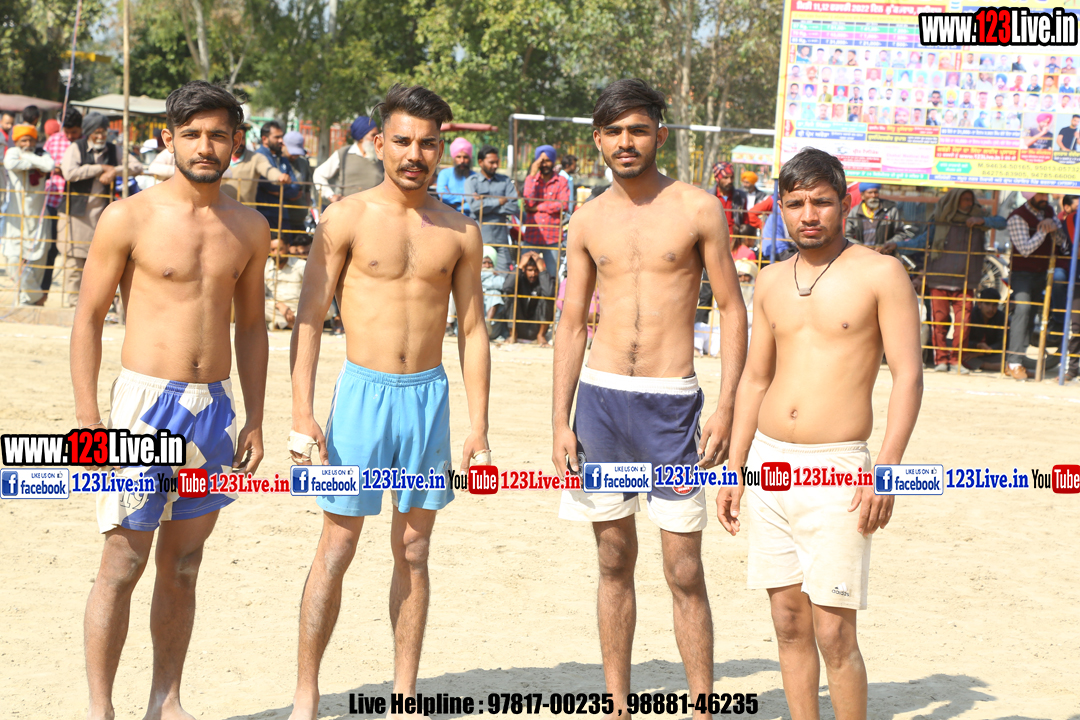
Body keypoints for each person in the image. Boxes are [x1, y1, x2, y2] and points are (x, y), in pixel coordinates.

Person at [286, 83, 491, 720]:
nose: (414, 154)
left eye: (427, 143)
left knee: (414, 550)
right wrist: (301, 411)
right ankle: (306, 692)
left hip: (427, 399)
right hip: (361, 397)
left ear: (441, 149)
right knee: (337, 547)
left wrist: (479, 426)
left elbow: (474, 330)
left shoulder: (461, 231)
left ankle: (405, 696)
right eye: (402, 140)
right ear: (379, 143)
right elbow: (309, 318)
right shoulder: (345, 217)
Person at [71, 81, 268, 720]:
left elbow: (253, 327)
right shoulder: (129, 217)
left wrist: (256, 419)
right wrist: (87, 422)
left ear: (236, 142)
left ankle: (166, 701)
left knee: (184, 563)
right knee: (123, 561)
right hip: (143, 407)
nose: (205, 146)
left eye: (218, 135)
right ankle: (101, 709)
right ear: (168, 139)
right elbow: (88, 318)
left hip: (214, 410)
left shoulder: (250, 227)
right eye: (192, 134)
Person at [552, 78, 747, 719]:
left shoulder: (698, 209)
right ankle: (617, 705)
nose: (626, 142)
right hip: (601, 403)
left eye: (638, 129)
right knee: (613, 559)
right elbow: (571, 322)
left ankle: (701, 706)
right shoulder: (587, 218)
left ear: (660, 132)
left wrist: (725, 406)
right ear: (598, 139)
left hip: (671, 404)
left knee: (683, 566)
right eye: (614, 131)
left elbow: (731, 309)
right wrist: (560, 420)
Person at [716, 146, 922, 720]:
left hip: (839, 468)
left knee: (834, 632)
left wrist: (887, 471)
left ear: (844, 204)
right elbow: (756, 378)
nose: (809, 214)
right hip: (769, 465)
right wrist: (734, 467)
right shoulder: (770, 280)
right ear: (780, 208)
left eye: (822, 202)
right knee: (787, 622)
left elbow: (908, 376)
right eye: (796, 203)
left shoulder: (881, 273)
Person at [889, 189, 1007, 372]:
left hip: (966, 280)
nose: (969, 203)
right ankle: (941, 359)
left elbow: (1001, 222)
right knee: (940, 320)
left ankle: (956, 360)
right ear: (954, 201)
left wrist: (982, 221)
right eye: (965, 199)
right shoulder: (941, 220)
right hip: (939, 278)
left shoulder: (978, 219)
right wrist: (897, 245)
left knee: (963, 323)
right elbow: (921, 242)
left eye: (971, 199)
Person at [58, 112, 144, 308]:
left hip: (102, 216)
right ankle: (73, 304)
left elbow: (137, 166)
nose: (100, 136)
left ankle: (97, 305)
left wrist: (114, 170)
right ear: (88, 132)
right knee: (74, 260)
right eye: (96, 132)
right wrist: (99, 168)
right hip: (76, 214)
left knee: (102, 262)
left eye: (103, 132)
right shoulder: (76, 148)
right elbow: (69, 172)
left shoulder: (113, 149)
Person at [1005, 192, 1067, 380]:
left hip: (1041, 272)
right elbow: (1024, 250)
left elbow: (1062, 243)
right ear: (1029, 196)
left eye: (1045, 194)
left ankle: (1018, 362)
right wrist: (1043, 231)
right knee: (1022, 310)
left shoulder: (1048, 211)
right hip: (1022, 274)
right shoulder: (1017, 216)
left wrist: (1053, 226)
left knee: (1031, 315)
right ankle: (1013, 362)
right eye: (1040, 195)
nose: (1044, 198)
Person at [2, 124, 55, 305]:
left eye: (31, 140)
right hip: (16, 219)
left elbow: (49, 165)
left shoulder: (41, 153)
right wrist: (33, 161)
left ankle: (27, 303)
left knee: (38, 263)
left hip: (38, 220)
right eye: (23, 140)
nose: (28, 144)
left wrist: (27, 158)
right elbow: (10, 164)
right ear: (16, 141)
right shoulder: (12, 153)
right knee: (13, 262)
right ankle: (37, 297)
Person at [466, 144, 518, 272]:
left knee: (503, 274)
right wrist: (500, 201)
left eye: (497, 162)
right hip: (480, 238)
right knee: (478, 274)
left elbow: (513, 207)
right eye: (491, 162)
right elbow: (475, 207)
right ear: (480, 162)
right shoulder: (472, 182)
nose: (495, 166)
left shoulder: (505, 181)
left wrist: (485, 203)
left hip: (501, 238)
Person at [312, 115, 383, 203]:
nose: (376, 139)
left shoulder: (382, 156)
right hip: (348, 208)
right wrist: (331, 196)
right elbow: (319, 174)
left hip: (375, 208)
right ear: (361, 137)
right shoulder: (343, 154)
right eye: (373, 135)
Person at [522, 144, 569, 273]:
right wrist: (532, 174)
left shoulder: (561, 181)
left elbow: (563, 204)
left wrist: (538, 207)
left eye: (547, 161)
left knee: (552, 275)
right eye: (541, 161)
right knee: (526, 274)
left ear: (553, 161)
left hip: (552, 237)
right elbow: (528, 201)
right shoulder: (532, 180)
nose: (544, 164)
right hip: (532, 236)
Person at [221, 121, 289, 205]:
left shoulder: (256, 158)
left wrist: (279, 176)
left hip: (245, 211)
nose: (239, 142)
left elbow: (268, 169)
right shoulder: (220, 158)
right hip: (219, 210)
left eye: (242, 138)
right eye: (235, 138)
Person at [254, 120, 299, 237]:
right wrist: (285, 186)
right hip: (264, 214)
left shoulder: (283, 159)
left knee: (285, 247)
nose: (281, 141)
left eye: (281, 137)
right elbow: (270, 185)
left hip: (282, 214)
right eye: (277, 137)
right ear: (264, 139)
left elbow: (295, 187)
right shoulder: (257, 157)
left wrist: (279, 192)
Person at [502, 251, 554, 345]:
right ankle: (512, 334)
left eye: (536, 270)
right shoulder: (520, 278)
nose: (533, 274)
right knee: (510, 296)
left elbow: (549, 293)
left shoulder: (543, 279)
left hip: (536, 327)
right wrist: (520, 266)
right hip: (519, 326)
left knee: (547, 298)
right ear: (524, 270)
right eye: (530, 270)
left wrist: (542, 269)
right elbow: (507, 288)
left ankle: (541, 336)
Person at [844, 182, 910, 252]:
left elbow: (901, 233)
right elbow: (848, 236)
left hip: (884, 255)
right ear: (862, 196)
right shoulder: (854, 212)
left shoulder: (890, 210)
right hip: (861, 255)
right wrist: (861, 246)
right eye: (870, 193)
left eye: (876, 192)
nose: (873, 195)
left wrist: (886, 245)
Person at [961, 287, 1006, 372]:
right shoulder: (971, 315)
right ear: (979, 304)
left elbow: (1002, 342)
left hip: (991, 354)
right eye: (987, 304)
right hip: (970, 352)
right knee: (953, 349)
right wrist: (977, 345)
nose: (991, 309)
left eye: (994, 305)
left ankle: (983, 365)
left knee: (1013, 356)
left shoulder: (1001, 317)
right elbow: (963, 339)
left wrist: (985, 351)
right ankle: (988, 366)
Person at [265, 235, 306, 329]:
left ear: (288, 247)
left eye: (280, 249)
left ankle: (282, 323)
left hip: (299, 308)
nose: (276, 253)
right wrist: (279, 305)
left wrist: (300, 310)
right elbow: (260, 296)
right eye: (272, 250)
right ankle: (294, 323)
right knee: (252, 306)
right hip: (274, 308)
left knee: (329, 309)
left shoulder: (301, 265)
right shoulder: (264, 266)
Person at [435, 137, 475, 216]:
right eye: (458, 157)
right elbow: (442, 194)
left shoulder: (475, 176)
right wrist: (468, 199)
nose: (462, 161)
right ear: (454, 158)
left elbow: (479, 200)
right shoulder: (444, 174)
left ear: (470, 158)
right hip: (448, 215)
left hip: (471, 216)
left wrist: (455, 204)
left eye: (465, 157)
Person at [712, 161, 747, 236]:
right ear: (717, 178)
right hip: (714, 238)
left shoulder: (740, 197)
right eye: (725, 178)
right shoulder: (709, 197)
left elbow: (745, 220)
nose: (729, 181)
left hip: (734, 239)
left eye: (732, 177)